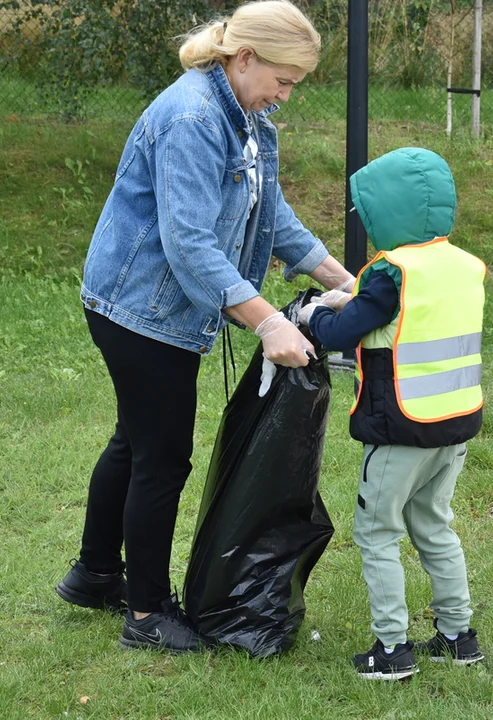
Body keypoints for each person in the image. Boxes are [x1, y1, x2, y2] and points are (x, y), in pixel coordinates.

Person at [53, 0, 355, 655]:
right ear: (242, 58)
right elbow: (188, 243)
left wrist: (341, 279)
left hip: (161, 305)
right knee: (161, 457)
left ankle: (94, 574)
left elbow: (272, 218)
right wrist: (268, 321)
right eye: (282, 78)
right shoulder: (191, 118)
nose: (285, 94)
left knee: (134, 442)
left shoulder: (250, 119)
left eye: (293, 84)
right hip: (139, 309)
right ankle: (145, 615)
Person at [299, 147, 486, 680]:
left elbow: (341, 332)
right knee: (434, 526)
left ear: (390, 212)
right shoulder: (462, 265)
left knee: (377, 532)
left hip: (399, 428)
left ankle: (392, 649)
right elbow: (401, 308)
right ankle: (458, 634)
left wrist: (314, 316)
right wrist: (353, 295)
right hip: (454, 426)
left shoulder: (391, 271)